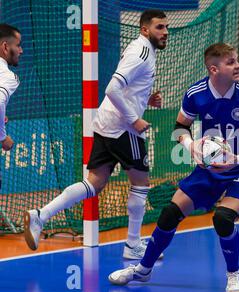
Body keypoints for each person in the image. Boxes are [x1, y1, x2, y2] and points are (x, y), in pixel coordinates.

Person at [108, 43, 239, 292]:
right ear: (214, 69)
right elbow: (180, 128)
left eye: (236, 60)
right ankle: (144, 269)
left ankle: (233, 274)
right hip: (212, 166)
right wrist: (191, 146)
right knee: (169, 213)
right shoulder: (196, 93)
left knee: (222, 218)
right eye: (231, 62)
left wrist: (238, 158)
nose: (238, 65)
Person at [23, 9, 169, 261]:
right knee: (141, 184)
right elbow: (112, 88)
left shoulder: (142, 49)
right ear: (145, 29)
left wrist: (147, 98)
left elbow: (127, 88)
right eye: (159, 27)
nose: (165, 32)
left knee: (95, 183)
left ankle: (41, 215)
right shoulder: (142, 53)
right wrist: (134, 118)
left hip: (105, 122)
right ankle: (133, 245)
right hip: (123, 127)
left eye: (166, 27)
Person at [0, 24, 22, 155]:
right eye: (18, 45)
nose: (21, 51)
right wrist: (2, 137)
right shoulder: (8, 77)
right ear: (5, 47)